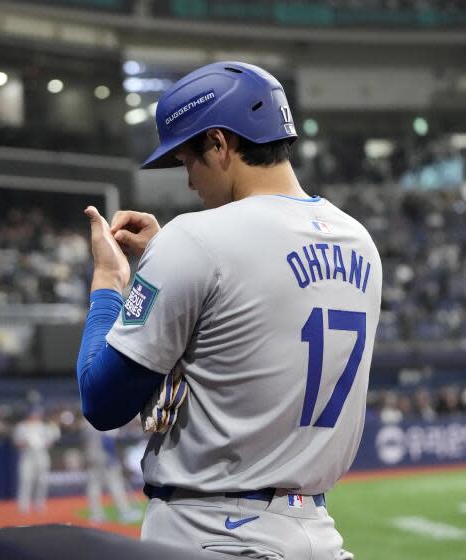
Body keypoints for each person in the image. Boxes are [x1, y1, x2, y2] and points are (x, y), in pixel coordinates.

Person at [76, 62, 381, 559]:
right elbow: (254, 302)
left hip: (210, 533)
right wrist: (172, 262)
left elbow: (101, 400)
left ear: (218, 144)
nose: (189, 182)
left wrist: (110, 284)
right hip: (317, 532)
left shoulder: (194, 238)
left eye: (186, 161)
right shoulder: (360, 240)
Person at [13, 405, 60, 514]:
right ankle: (23, 505)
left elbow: (50, 443)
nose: (35, 415)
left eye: (37, 413)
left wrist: (44, 442)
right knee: (26, 480)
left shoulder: (44, 427)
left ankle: (39, 503)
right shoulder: (22, 426)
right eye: (33, 413)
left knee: (42, 481)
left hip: (41, 454)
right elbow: (17, 443)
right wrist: (25, 442)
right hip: (27, 455)